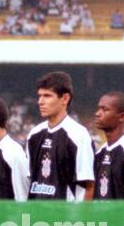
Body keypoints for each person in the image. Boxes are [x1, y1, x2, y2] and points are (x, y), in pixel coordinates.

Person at [26, 71, 94, 201]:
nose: (40, 101)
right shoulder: (34, 135)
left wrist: (81, 219)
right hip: (37, 217)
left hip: (65, 218)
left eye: (47, 96)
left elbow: (89, 186)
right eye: (39, 96)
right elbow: (30, 180)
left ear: (65, 99)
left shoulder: (78, 135)